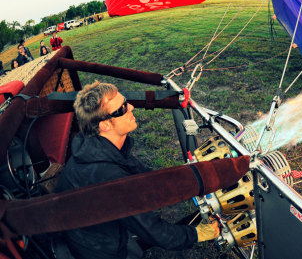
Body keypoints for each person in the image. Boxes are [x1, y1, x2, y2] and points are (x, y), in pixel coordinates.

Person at [55, 81, 219, 259]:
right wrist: (198, 234)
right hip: (101, 252)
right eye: (123, 108)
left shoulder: (95, 146)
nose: (131, 107)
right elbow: (155, 231)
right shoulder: (108, 177)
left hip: (94, 234)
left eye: (126, 101)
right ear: (105, 125)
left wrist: (187, 180)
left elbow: (146, 177)